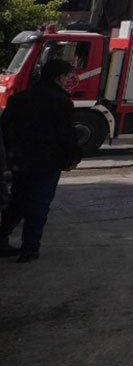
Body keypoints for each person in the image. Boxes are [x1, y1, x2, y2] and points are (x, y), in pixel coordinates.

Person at [0, 59, 82, 262]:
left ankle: (1, 240)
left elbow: (6, 130)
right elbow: (66, 134)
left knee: (18, 202)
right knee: (39, 205)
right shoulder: (60, 101)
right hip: (47, 162)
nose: (68, 80)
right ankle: (30, 248)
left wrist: (9, 156)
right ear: (58, 77)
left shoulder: (19, 99)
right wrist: (73, 158)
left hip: (20, 161)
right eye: (66, 76)